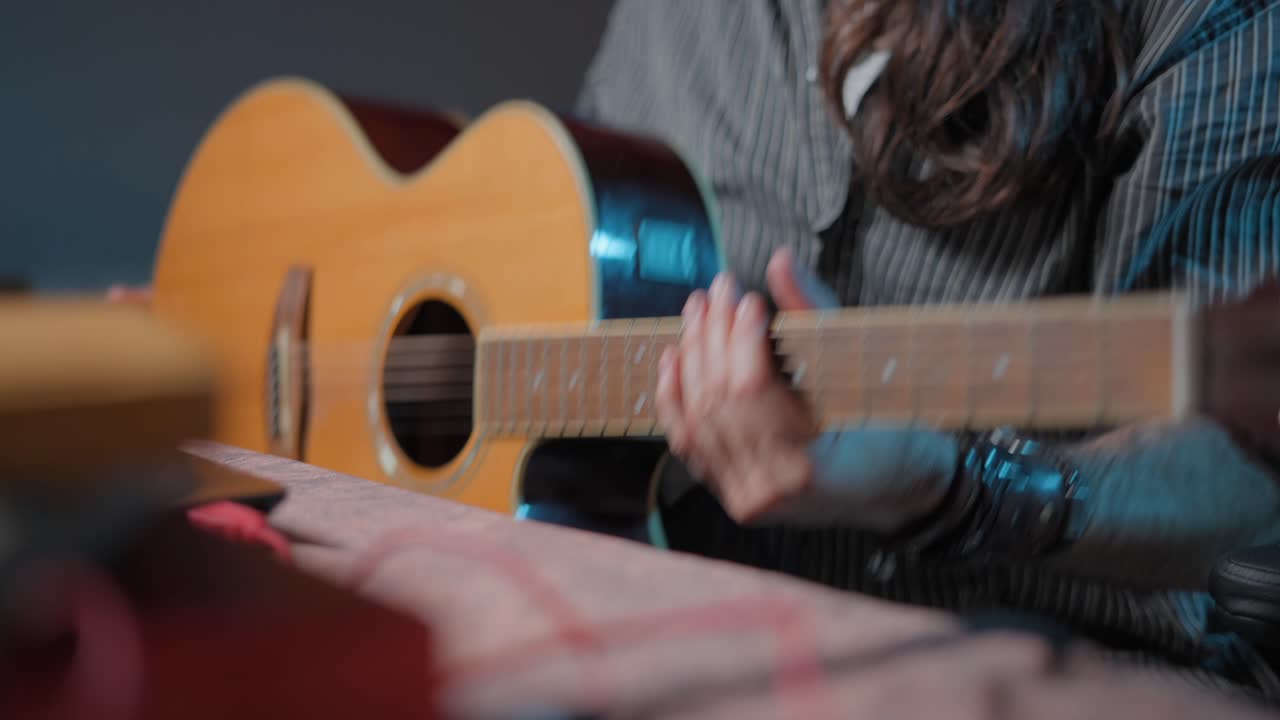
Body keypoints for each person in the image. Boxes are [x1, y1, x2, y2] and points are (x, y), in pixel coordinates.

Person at [574, 0, 1280, 700]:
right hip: (701, 638)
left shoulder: (1202, 15)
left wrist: (953, 489)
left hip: (1058, 674)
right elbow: (565, 240)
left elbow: (1246, 483)